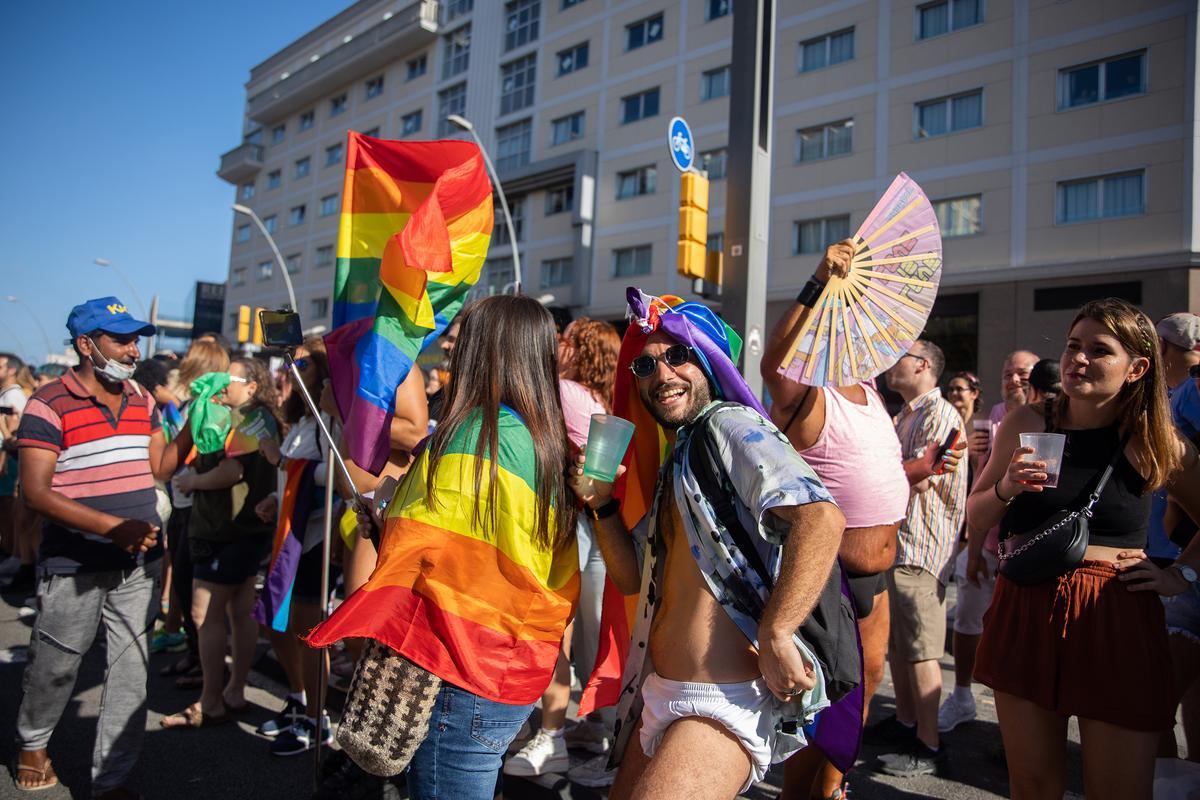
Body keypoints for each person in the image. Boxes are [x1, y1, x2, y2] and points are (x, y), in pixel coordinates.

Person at [567, 289, 846, 800]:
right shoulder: (683, 455)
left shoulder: (727, 426)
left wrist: (779, 631)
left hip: (721, 703)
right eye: (645, 367)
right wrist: (603, 505)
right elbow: (632, 577)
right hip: (659, 694)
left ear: (709, 360)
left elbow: (821, 518)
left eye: (677, 355)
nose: (662, 374)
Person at [307, 295, 580, 799]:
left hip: (460, 666)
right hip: (512, 661)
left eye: (460, 342)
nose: (450, 351)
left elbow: (429, 549)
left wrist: (384, 517)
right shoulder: (544, 438)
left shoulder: (474, 434)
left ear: (482, 352)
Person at [970, 298, 1200, 799]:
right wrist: (1007, 486)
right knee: (1032, 786)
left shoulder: (1154, 438)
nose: (1078, 359)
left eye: (1100, 350)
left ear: (1137, 368)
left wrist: (1181, 575)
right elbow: (976, 515)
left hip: (1115, 614)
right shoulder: (1028, 423)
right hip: (1027, 606)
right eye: (1075, 345)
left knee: (1118, 790)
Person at [759, 240, 913, 800]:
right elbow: (773, 364)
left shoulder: (872, 395)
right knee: (820, 715)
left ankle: (832, 789)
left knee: (862, 698)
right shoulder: (808, 393)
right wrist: (820, 279)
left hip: (878, 581)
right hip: (829, 586)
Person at [12, 297, 171, 797]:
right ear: (85, 344)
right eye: (120, 338)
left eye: (135, 338)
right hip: (74, 563)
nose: (133, 347)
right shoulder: (48, 403)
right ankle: (32, 741)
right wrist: (110, 526)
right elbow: (35, 491)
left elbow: (157, 469)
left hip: (141, 560)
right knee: (57, 664)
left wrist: (195, 433)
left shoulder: (142, 397)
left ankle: (111, 780)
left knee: (131, 676)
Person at [505, 317, 621, 780]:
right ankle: (597, 726)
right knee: (594, 630)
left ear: (584, 351)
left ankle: (571, 734)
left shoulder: (564, 391)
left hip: (575, 525)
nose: (558, 345)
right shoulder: (599, 397)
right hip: (596, 523)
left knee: (565, 632)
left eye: (567, 340)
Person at [160, 358, 281, 729]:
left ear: (252, 387)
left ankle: (211, 700)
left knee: (203, 613)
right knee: (240, 611)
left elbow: (233, 470)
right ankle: (233, 692)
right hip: (244, 529)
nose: (221, 383)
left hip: (226, 529)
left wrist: (193, 482)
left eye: (230, 378)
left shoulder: (247, 418)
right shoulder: (253, 417)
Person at [871, 339, 969, 777]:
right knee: (899, 645)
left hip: (922, 547)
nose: (892, 364)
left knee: (923, 648)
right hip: (900, 542)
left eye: (901, 357)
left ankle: (929, 746)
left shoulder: (941, 415)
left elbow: (924, 479)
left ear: (923, 365)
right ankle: (907, 721)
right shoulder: (906, 415)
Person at [254, 336, 337, 756]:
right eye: (291, 366)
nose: (292, 373)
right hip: (287, 537)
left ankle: (315, 720)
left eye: (302, 365)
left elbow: (343, 478)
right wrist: (275, 496)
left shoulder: (330, 423)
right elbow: (294, 479)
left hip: (314, 541)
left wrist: (290, 467)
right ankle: (298, 698)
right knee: (275, 622)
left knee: (306, 631)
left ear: (324, 373)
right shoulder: (304, 421)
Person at [159, 340, 230, 688]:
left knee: (195, 590)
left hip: (197, 506)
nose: (184, 360)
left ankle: (206, 667)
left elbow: (208, 454)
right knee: (186, 589)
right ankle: (192, 654)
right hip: (181, 501)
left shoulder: (214, 406)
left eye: (191, 357)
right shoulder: (191, 402)